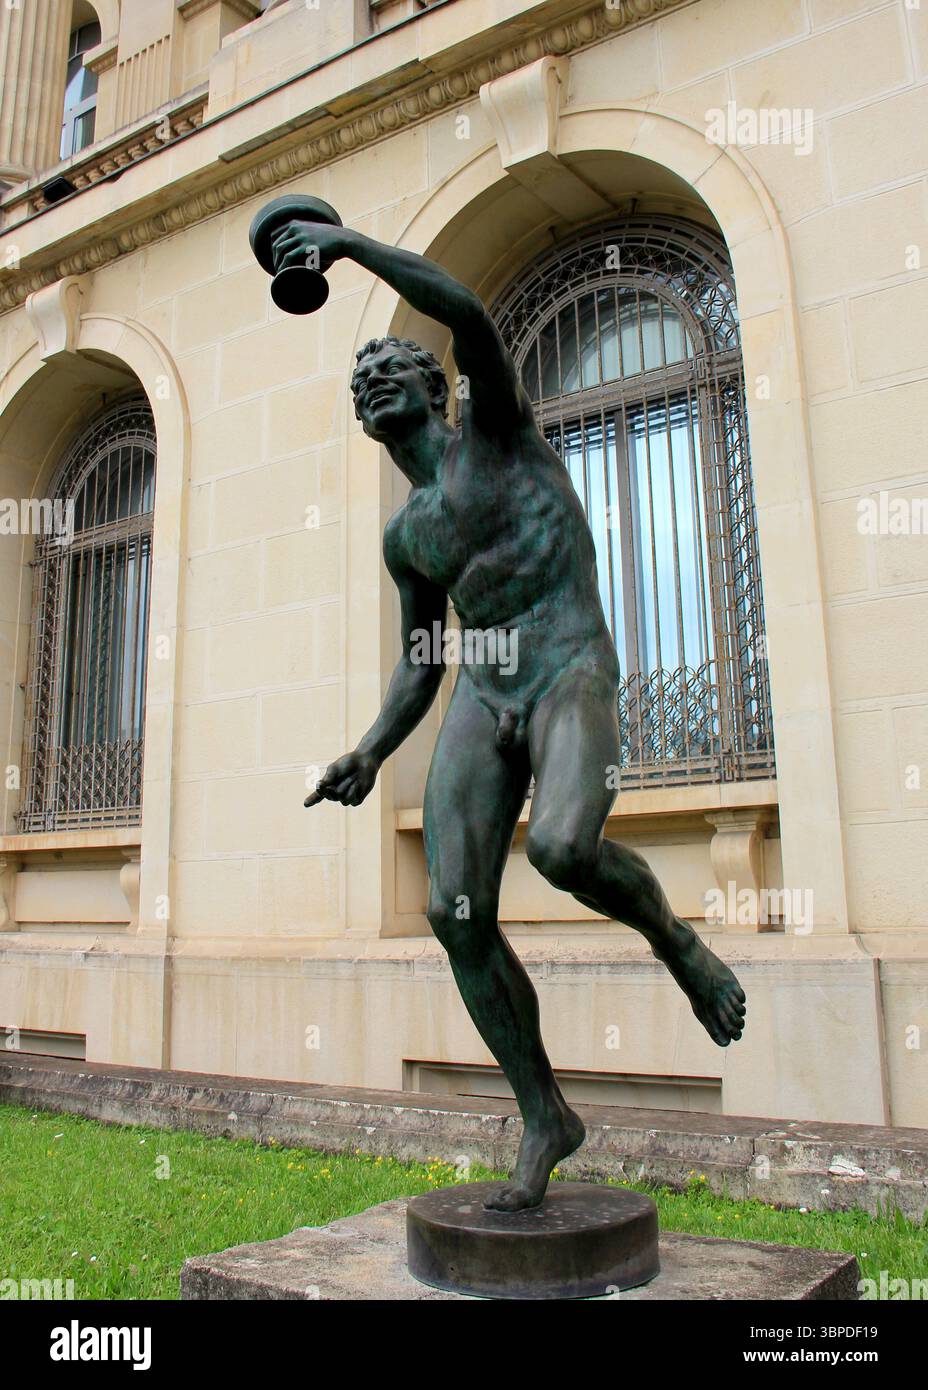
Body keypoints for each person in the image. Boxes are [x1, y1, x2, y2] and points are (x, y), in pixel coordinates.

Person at [275, 219, 747, 1211]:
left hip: (569, 665)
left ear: (437, 387)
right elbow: (421, 661)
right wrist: (367, 752)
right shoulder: (407, 536)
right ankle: (545, 1115)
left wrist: (346, 245)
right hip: (480, 691)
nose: (372, 384)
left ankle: (677, 942)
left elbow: (465, 311)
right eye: (360, 383)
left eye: (391, 368)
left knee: (567, 850)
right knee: (454, 911)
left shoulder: (496, 430)